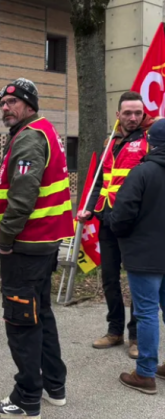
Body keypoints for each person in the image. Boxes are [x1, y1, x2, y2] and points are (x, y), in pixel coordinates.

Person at [0, 78, 73, 418]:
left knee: (21, 321)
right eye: (2, 104)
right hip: (43, 243)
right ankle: (55, 385)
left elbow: (22, 197)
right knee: (41, 314)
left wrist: (4, 240)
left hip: (25, 246)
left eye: (12, 102)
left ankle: (26, 398)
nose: (5, 108)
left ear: (29, 105)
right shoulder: (44, 131)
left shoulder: (29, 138)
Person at [79, 91, 154, 359]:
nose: (133, 118)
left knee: (135, 283)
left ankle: (135, 337)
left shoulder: (149, 140)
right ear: (118, 115)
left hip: (135, 223)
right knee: (109, 278)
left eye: (138, 113)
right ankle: (114, 331)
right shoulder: (111, 140)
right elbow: (101, 178)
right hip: (107, 218)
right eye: (128, 113)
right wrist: (88, 206)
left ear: (143, 114)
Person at [110, 118, 165, 394]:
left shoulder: (141, 172)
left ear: (151, 142)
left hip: (145, 256)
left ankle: (145, 373)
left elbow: (121, 214)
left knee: (146, 314)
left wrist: (123, 237)